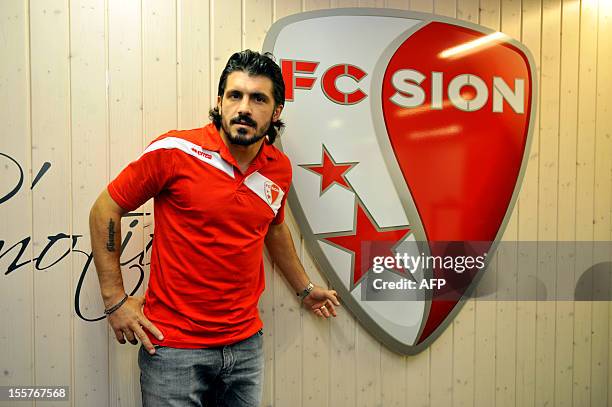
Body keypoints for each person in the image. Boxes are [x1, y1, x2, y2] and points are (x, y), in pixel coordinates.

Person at [89, 49, 340, 407]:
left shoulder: (278, 168)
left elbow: (274, 229)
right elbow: (105, 209)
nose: (244, 108)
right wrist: (115, 302)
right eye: (235, 95)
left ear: (277, 111)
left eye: (258, 99)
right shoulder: (175, 151)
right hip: (173, 349)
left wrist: (305, 289)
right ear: (220, 101)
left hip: (245, 348)